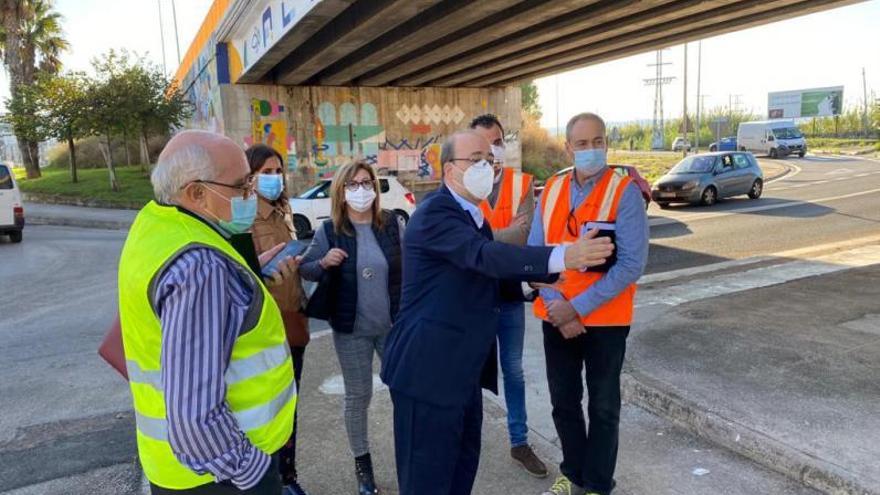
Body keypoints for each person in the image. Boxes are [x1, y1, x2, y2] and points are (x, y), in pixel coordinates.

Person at [381, 130, 615, 495]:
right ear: (448, 172)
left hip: (462, 372)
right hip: (426, 372)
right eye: (474, 159)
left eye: (488, 160)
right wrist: (561, 255)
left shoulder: (474, 215)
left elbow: (483, 273)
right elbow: (483, 256)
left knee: (460, 470)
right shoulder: (435, 213)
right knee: (427, 480)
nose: (485, 167)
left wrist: (530, 285)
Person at [118, 130, 300, 494]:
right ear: (196, 193)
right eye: (241, 185)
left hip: (179, 470)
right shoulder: (201, 265)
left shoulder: (157, 225)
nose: (251, 194)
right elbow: (194, 417)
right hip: (222, 476)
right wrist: (252, 472)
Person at [528, 113, 649, 495]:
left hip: (606, 321)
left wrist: (576, 308)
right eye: (581, 144)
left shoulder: (623, 191)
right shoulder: (552, 189)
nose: (591, 150)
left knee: (603, 407)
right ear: (568, 148)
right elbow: (535, 254)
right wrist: (557, 306)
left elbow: (632, 264)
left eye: (597, 141)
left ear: (606, 142)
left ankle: (597, 483)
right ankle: (574, 472)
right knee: (564, 402)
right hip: (556, 314)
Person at [299, 160, 405, 495]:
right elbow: (307, 269)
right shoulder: (330, 230)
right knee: (358, 397)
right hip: (352, 330)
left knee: (406, 392)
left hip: (393, 327)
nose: (361, 190)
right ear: (342, 193)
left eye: (366, 183)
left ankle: (410, 455)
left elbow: (411, 268)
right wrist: (323, 262)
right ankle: (363, 468)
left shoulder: (390, 224)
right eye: (353, 184)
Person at [469, 114, 547, 477]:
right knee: (469, 372)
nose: (494, 150)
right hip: (473, 299)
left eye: (498, 141)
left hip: (510, 295)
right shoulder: (463, 186)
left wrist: (487, 242)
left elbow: (524, 237)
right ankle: (467, 439)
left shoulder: (521, 184)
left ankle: (519, 442)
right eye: (485, 143)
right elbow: (466, 244)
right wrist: (502, 237)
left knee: (513, 371)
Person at [244, 144, 310, 495]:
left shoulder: (284, 209)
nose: (273, 178)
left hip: (293, 319)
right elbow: (244, 274)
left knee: (290, 406)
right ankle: (269, 480)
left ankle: (289, 477)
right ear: (249, 176)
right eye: (265, 172)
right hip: (266, 328)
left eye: (277, 171)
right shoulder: (245, 218)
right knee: (267, 410)